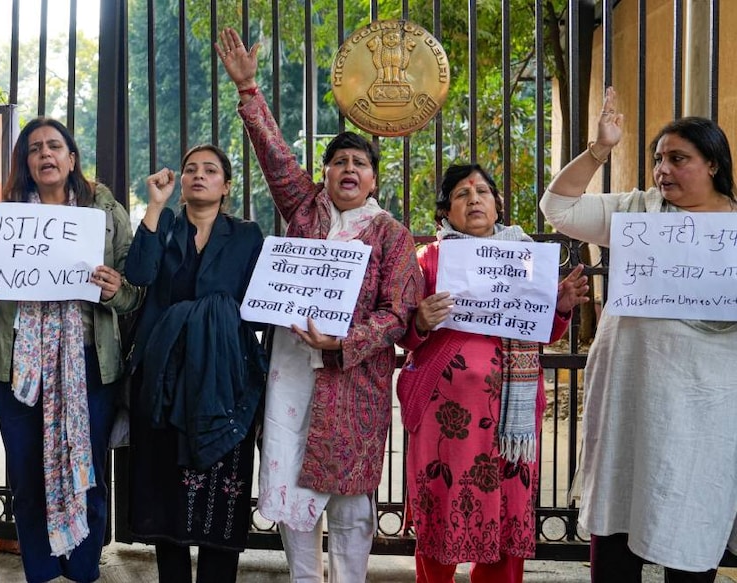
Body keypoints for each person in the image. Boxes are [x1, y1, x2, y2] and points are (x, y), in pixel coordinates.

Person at [217, 27, 423, 581]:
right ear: (326, 174)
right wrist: (248, 90)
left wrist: (345, 342)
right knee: (291, 488)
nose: (348, 170)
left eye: (359, 163)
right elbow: (274, 155)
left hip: (354, 381)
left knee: (350, 501)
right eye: (339, 162)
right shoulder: (305, 211)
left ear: (374, 178)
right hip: (290, 371)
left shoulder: (390, 234)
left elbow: (398, 313)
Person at [540, 87, 737, 582]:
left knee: (690, 508)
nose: (663, 169)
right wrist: (599, 149)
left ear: (712, 163)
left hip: (705, 401)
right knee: (620, 507)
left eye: (678, 158)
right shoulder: (637, 211)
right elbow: (557, 208)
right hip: (632, 393)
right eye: (657, 159)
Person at [0, 117, 142, 583]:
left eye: (54, 145)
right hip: (17, 369)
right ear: (26, 163)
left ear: (71, 158)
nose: (45, 154)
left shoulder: (104, 213)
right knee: (27, 478)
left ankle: (81, 569)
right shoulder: (5, 217)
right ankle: (39, 571)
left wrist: (116, 291)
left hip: (90, 367)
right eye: (34, 148)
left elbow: (136, 292)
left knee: (85, 472)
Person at [397, 164, 589, 582]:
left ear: (498, 203)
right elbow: (404, 334)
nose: (474, 199)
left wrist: (560, 306)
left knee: (504, 516)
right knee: (443, 510)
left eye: (482, 191)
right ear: (445, 211)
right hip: (444, 419)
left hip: (511, 420)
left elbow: (541, 331)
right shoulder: (428, 259)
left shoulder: (524, 257)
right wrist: (422, 322)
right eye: (462, 194)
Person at [123, 146, 267, 583]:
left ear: (227, 186)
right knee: (169, 503)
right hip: (164, 379)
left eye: (210, 170)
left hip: (223, 383)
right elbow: (140, 274)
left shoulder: (246, 235)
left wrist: (213, 318)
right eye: (190, 170)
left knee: (220, 501)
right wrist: (155, 205)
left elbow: (258, 309)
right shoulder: (163, 225)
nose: (198, 176)